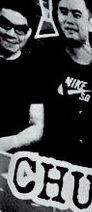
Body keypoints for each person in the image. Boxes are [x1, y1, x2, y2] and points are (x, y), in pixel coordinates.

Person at [35, 0, 92, 169]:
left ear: (91, 23)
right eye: (63, 12)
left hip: (88, 172)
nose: (68, 20)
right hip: (42, 165)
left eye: (76, 15)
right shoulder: (42, 54)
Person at [0, 0, 43, 153]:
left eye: (19, 30)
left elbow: (37, 127)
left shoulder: (34, 72)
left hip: (8, 160)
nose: (10, 34)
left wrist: (8, 143)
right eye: (5, 24)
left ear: (29, 33)